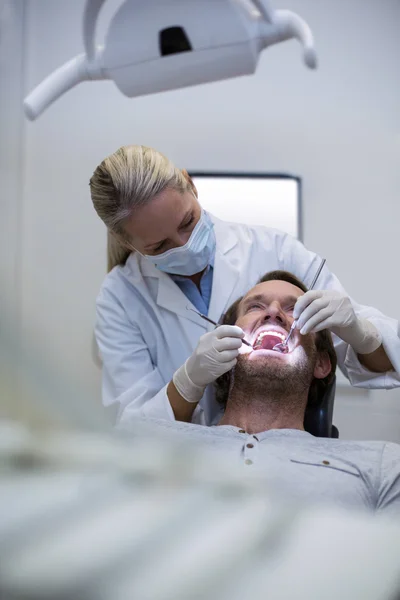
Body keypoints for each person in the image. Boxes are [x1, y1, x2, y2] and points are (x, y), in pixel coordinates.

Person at [89, 145, 400, 426]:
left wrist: (360, 332)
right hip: (182, 468)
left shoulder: (276, 251)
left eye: (187, 223)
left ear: (191, 185)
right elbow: (136, 429)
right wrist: (187, 382)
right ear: (125, 240)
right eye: (159, 246)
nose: (184, 246)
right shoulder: (121, 297)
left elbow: (383, 364)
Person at [129, 271, 400, 515]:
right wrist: (187, 380)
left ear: (321, 363)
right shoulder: (153, 445)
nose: (273, 313)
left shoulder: (381, 464)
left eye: (295, 309)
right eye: (255, 306)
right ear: (224, 349)